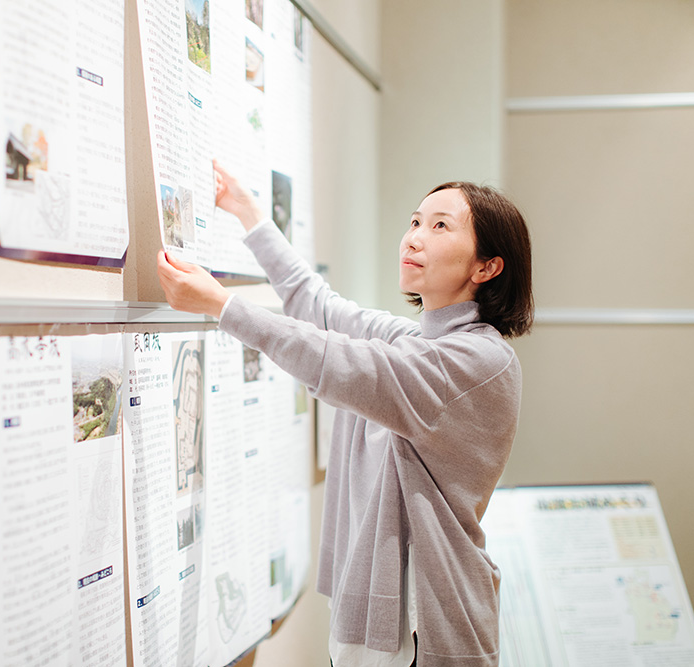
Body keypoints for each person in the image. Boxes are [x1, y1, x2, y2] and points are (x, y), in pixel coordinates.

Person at [157, 161, 533, 667]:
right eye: (416, 220)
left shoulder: (479, 362)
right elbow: (321, 309)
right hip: (378, 625)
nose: (415, 237)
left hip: (429, 628)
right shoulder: (416, 341)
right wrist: (248, 213)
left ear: (487, 267)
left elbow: (350, 365)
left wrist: (224, 307)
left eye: (441, 225)